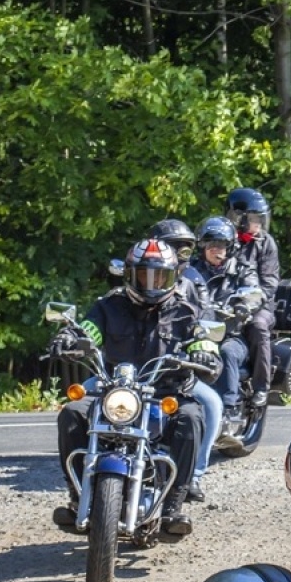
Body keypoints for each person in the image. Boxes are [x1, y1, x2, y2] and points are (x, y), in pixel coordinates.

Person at [50, 237, 220, 537]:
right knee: (72, 412)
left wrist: (204, 350)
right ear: (129, 274)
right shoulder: (110, 305)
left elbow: (202, 336)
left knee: (191, 418)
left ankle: (172, 509)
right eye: (144, 275)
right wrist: (71, 338)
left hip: (166, 393)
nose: (152, 283)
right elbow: (89, 329)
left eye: (160, 276)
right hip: (115, 392)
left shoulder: (187, 310)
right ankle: (78, 497)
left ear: (173, 276)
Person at [183, 216, 261, 500]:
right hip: (197, 334)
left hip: (230, 334)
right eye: (213, 244)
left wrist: (241, 305)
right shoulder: (190, 271)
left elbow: (255, 293)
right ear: (203, 245)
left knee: (228, 352)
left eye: (223, 245)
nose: (218, 250)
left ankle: (227, 410)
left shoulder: (241, 268)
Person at [152, 217, 218, 502]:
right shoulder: (135, 276)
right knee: (80, 405)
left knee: (211, 405)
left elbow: (204, 319)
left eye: (184, 249)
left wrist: (203, 346)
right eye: (172, 247)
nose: (179, 256)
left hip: (173, 372)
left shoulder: (191, 284)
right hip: (129, 374)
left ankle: (193, 475)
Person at [225, 187, 280, 413]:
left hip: (260, 304)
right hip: (225, 299)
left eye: (261, 220)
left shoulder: (266, 243)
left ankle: (260, 387)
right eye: (254, 219)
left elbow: (270, 282)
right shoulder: (222, 239)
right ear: (238, 218)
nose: (258, 225)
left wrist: (252, 302)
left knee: (258, 326)